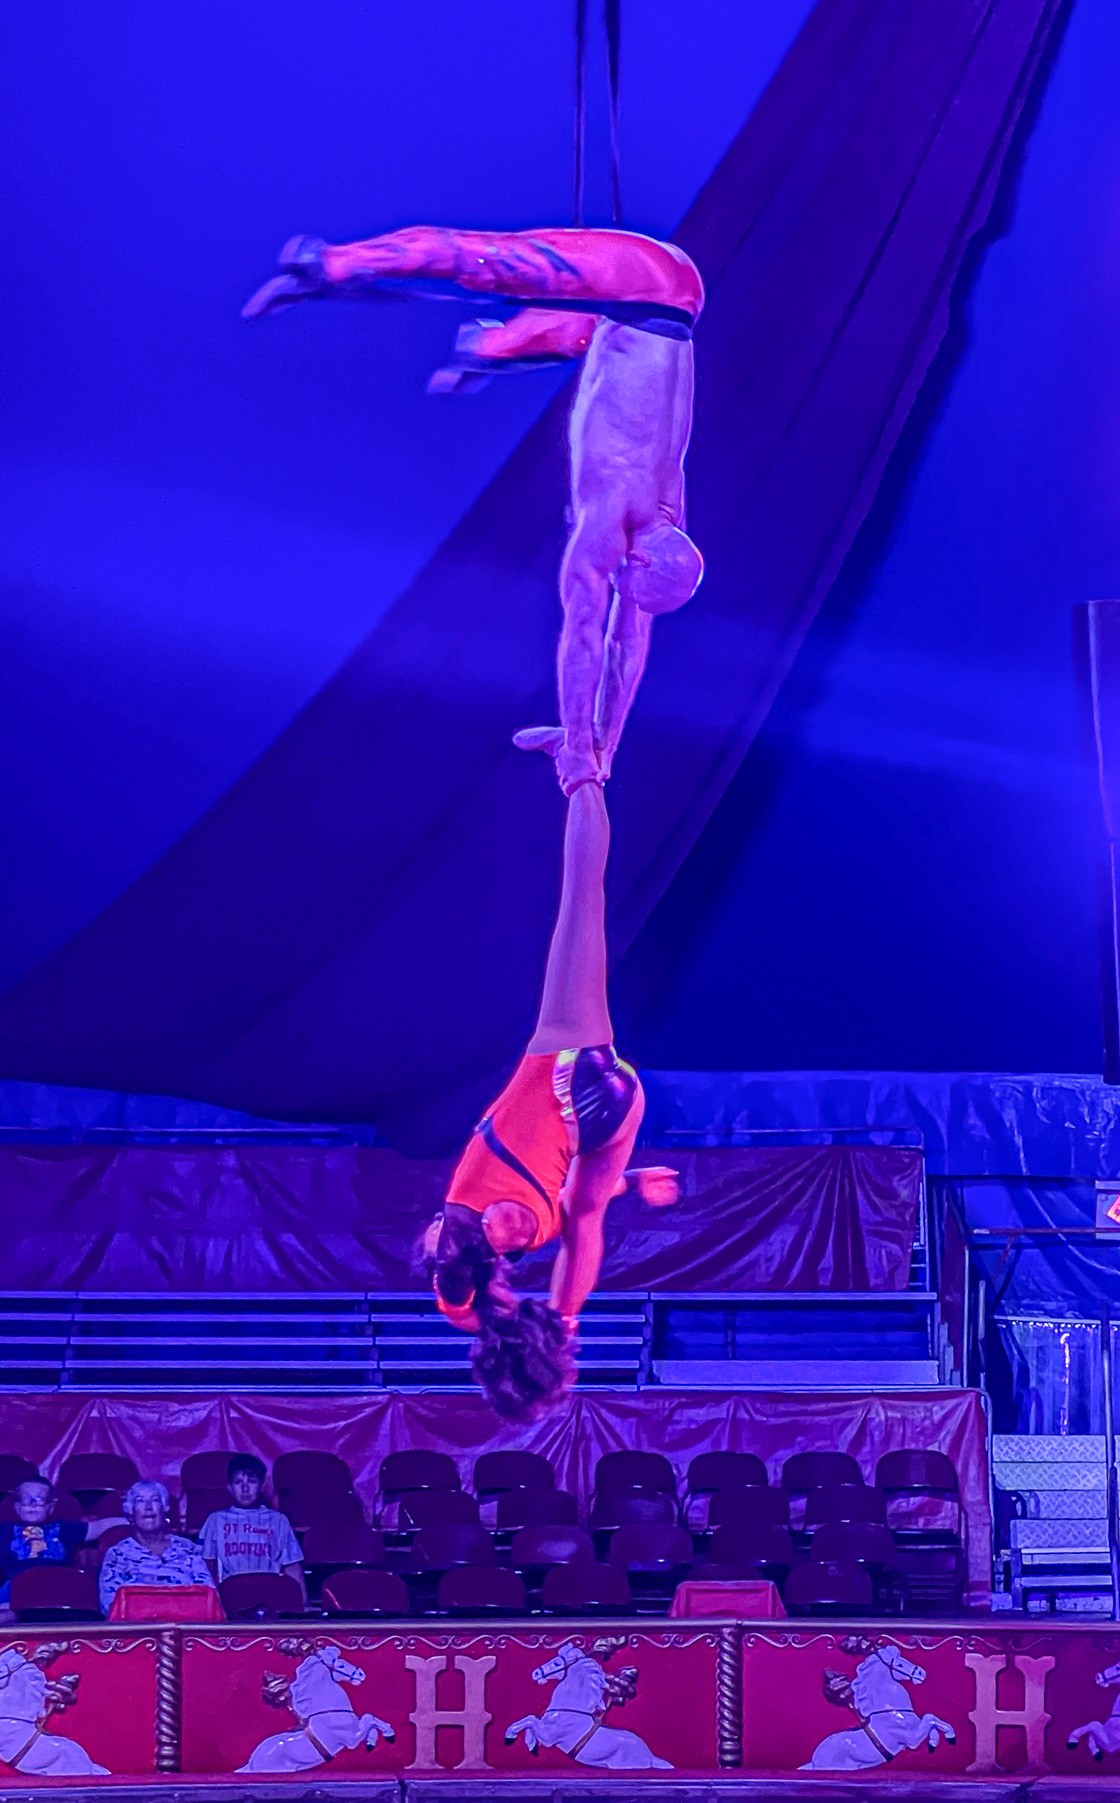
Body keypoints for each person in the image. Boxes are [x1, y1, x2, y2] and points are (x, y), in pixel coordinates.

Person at [243, 224, 704, 791]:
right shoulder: (609, 522)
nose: (616, 587)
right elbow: (586, 635)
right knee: (491, 263)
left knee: (581, 335)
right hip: (642, 282)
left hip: (656, 308)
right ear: (642, 561)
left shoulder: (669, 517)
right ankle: (329, 264)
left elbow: (628, 644)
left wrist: (601, 745)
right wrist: (578, 754)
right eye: (624, 581)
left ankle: (486, 348)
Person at [421, 780, 679, 1419]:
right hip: (567, 1073)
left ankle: (566, 1318)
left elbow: (563, 1214)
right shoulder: (480, 1237)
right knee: (581, 901)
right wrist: (466, 1300)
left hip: (616, 1109)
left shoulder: (525, 1234)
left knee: (584, 1215)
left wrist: (633, 1181)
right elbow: (451, 1270)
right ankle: (582, 772)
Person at [98, 1480, 215, 1615]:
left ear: (164, 1508)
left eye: (155, 1500)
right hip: (137, 1627)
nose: (148, 1507)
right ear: (131, 1511)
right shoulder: (117, 1554)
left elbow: (210, 1597)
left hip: (186, 1624)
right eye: (140, 1501)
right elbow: (109, 1606)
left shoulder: (188, 1548)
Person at [198, 1456, 305, 1597]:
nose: (245, 1489)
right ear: (229, 1488)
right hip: (231, 1595)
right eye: (238, 1482)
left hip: (270, 1594)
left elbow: (292, 1566)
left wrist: (303, 1601)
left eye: (251, 1482)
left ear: (261, 1486)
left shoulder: (278, 1520)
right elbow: (207, 1565)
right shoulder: (215, 1520)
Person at [0, 1478, 85, 1603]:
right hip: (14, 1584)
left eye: (40, 1500)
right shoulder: (3, 1529)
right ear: (16, 1505)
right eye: (25, 1499)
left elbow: (102, 1526)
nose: (32, 1505)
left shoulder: (67, 1527)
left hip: (58, 1583)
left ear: (51, 1506)